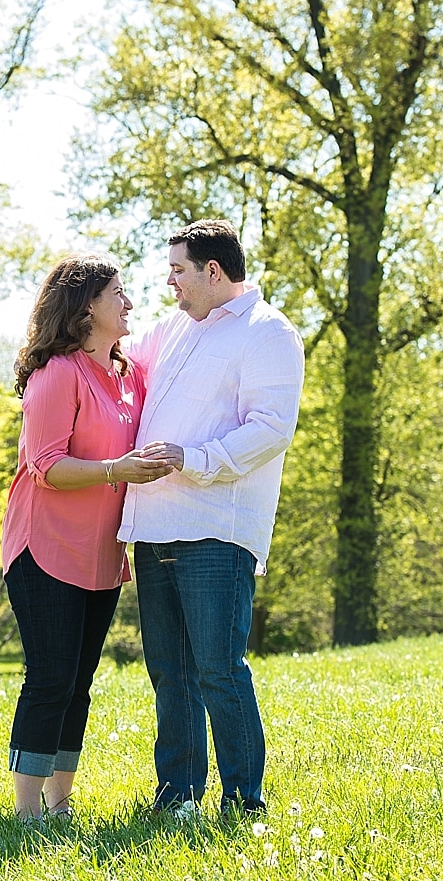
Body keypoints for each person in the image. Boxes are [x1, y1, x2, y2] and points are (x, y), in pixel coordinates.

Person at [118, 219, 306, 819]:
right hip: (153, 527)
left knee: (219, 670)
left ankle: (243, 802)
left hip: (215, 530)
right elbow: (116, 359)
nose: (170, 283)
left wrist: (192, 460)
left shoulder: (267, 333)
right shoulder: (173, 328)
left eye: (177, 271)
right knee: (169, 674)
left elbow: (271, 430)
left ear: (213, 271)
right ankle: (177, 797)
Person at [0, 254, 175, 823]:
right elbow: (46, 466)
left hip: (101, 553)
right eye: (117, 293)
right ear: (85, 307)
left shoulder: (129, 376)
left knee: (79, 683)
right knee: (51, 676)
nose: (128, 303)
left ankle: (60, 804)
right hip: (44, 548)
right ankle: (27, 812)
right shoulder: (57, 374)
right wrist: (115, 469)